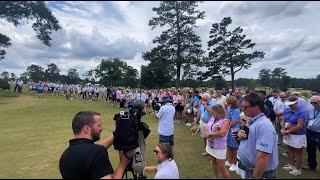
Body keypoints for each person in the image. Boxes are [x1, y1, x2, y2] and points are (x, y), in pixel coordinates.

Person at [59, 111, 133, 179]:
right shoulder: (96, 152)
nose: (102, 128)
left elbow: (91, 152)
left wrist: (117, 133)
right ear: (87, 129)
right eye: (99, 125)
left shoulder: (65, 156)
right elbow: (94, 152)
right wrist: (123, 163)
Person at [237, 92, 278, 179]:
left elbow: (263, 156)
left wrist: (255, 177)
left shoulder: (264, 125)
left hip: (261, 173)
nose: (242, 109)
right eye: (242, 107)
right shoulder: (252, 120)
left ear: (257, 107)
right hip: (250, 169)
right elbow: (249, 140)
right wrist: (241, 137)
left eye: (246, 107)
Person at [281, 95, 308, 176]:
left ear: (296, 103)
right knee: (290, 149)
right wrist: (284, 130)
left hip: (298, 135)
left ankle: (297, 169)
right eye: (289, 104)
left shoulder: (302, 112)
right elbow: (283, 120)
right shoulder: (287, 110)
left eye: (291, 104)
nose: (289, 105)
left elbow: (299, 126)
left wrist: (287, 131)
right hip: (288, 133)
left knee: (298, 152)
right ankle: (291, 165)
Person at [204, 104, 230, 178]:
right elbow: (207, 127)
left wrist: (209, 134)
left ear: (218, 112)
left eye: (213, 112)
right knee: (214, 162)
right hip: (210, 145)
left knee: (222, 167)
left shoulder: (225, 121)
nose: (212, 114)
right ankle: (216, 177)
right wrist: (207, 134)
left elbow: (222, 133)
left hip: (219, 147)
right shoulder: (212, 118)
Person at [303, 95, 320, 171]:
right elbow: (307, 120)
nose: (313, 104)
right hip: (310, 132)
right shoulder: (311, 109)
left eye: (315, 103)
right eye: (311, 102)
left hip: (318, 133)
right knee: (310, 149)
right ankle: (311, 165)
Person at [225, 96, 241, 172]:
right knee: (229, 146)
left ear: (233, 103)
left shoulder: (236, 110)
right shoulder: (230, 109)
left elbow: (234, 122)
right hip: (229, 130)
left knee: (234, 147)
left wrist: (225, 126)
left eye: (229, 103)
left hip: (234, 130)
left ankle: (234, 163)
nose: (227, 104)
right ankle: (230, 160)